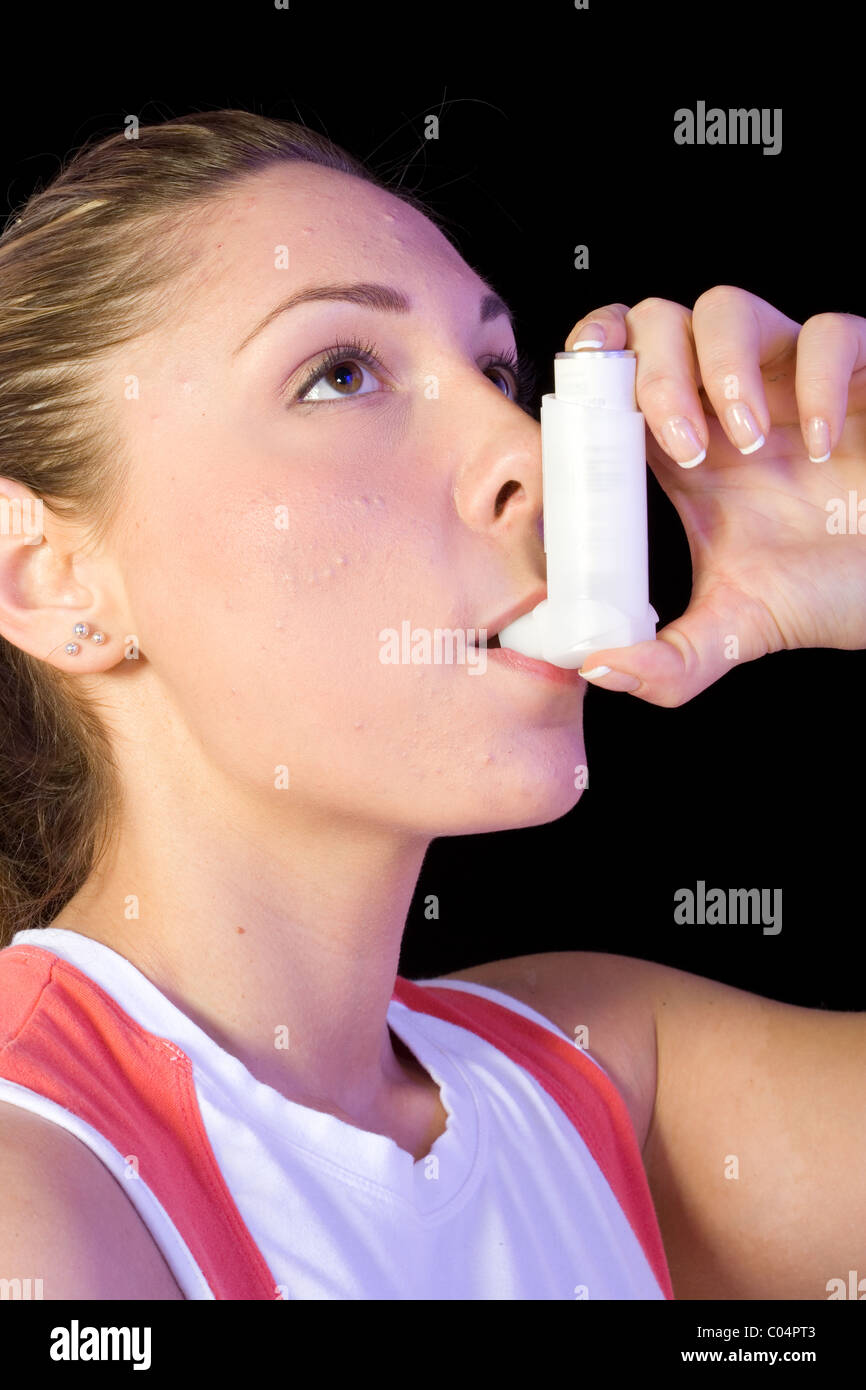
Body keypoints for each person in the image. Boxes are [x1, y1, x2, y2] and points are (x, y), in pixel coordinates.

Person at [0, 110, 863, 1301]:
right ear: (48, 582)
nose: (530, 446)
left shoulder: (598, 1073)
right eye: (339, 373)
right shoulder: (37, 1195)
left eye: (498, 372)